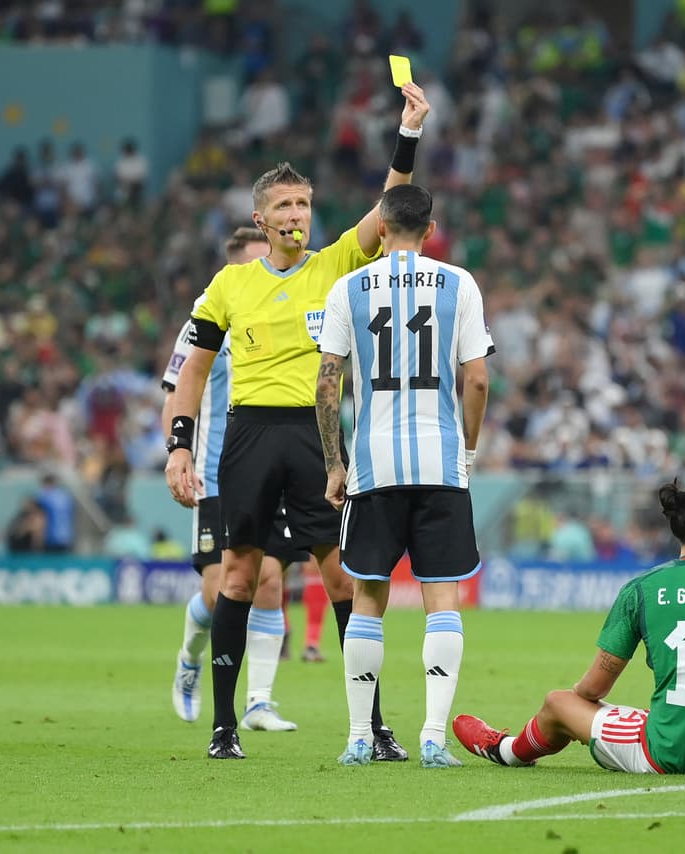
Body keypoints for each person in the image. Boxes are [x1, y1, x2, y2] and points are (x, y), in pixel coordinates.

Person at [163, 82, 431, 760]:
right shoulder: (230, 285)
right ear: (261, 217)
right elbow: (192, 370)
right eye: (283, 205)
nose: (296, 214)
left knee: (343, 576)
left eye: (304, 203)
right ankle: (225, 728)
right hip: (250, 434)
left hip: (317, 437)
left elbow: (389, 205)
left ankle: (371, 724)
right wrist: (179, 448)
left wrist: (408, 134)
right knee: (239, 575)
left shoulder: (336, 264)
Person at [314, 183, 494, 769]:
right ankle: (434, 736)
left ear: (381, 227)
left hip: (373, 466)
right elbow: (478, 380)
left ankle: (359, 736)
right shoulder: (459, 283)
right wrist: (467, 450)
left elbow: (326, 383)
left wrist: (334, 463)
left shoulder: (347, 289)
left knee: (368, 596)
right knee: (442, 599)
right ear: (432, 229)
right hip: (440, 464)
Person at [453, 480, 685, 775]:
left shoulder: (644, 588)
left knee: (558, 703)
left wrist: (580, 692)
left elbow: (594, 688)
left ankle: (507, 751)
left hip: (665, 755)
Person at [163, 228, 301, 734]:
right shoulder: (207, 316)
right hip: (218, 469)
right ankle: (189, 660)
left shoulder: (286, 307)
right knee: (222, 588)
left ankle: (260, 702)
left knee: (269, 580)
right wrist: (178, 455)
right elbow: (176, 392)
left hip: (277, 468)